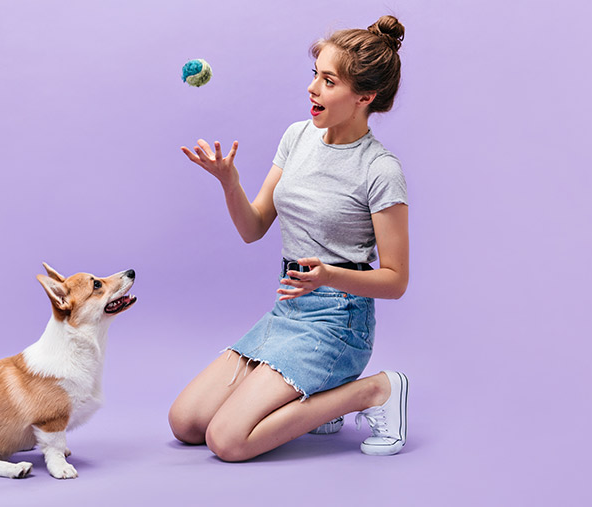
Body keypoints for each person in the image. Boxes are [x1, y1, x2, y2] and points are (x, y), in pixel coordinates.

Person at [169, 15, 411, 461]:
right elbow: (253, 227)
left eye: (328, 80)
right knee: (185, 423)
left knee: (229, 441)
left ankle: (374, 390)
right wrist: (229, 182)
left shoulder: (380, 169)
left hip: (340, 321)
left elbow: (395, 281)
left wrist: (328, 275)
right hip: (289, 308)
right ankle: (320, 398)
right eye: (314, 75)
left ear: (365, 97)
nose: (312, 89)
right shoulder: (297, 137)